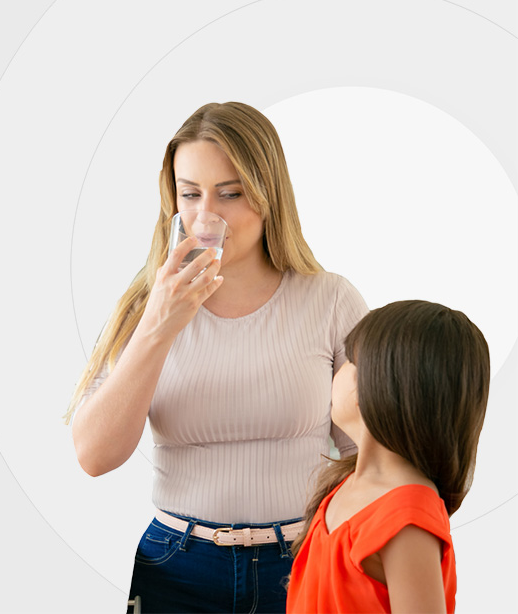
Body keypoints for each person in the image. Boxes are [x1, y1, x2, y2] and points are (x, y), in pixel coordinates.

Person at [64, 102, 368, 613]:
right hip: (176, 565)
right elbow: (94, 456)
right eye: (190, 194)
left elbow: (372, 450)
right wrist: (160, 321)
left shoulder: (331, 300)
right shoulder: (144, 307)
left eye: (230, 193)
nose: (207, 216)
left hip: (304, 559)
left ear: (269, 194)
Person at [287, 300, 491, 613]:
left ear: (381, 385)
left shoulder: (407, 518)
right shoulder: (345, 483)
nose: (337, 371)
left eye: (350, 361)